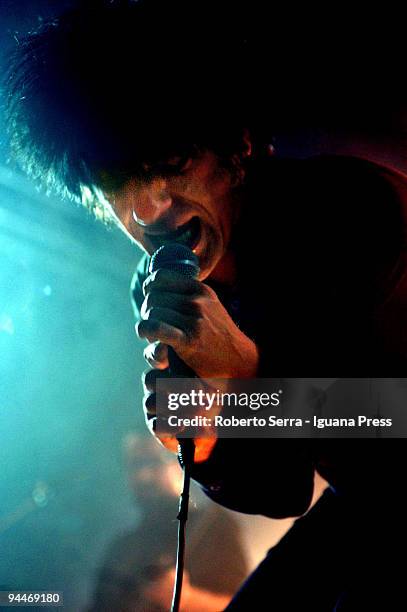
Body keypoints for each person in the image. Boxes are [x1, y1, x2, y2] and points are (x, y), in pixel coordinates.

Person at [4, 1, 407, 608]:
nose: (146, 210)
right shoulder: (169, 281)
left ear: (236, 147)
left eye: (166, 166)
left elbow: (386, 422)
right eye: (118, 186)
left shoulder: (350, 211)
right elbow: (281, 489)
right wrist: (207, 434)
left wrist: (242, 377)